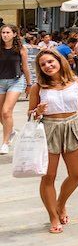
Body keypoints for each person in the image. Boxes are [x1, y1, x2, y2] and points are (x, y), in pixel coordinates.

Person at [27, 49, 78, 234]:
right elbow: (30, 114)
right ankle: (53, 216)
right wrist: (38, 111)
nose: (48, 66)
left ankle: (61, 204)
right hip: (49, 129)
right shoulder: (38, 87)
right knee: (48, 177)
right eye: (43, 64)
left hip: (73, 127)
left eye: (50, 61)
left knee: (77, 174)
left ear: (59, 61)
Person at [0, 25, 34, 155]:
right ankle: (12, 131)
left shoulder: (20, 49)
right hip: (0, 82)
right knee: (0, 114)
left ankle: (5, 143)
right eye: (3, 32)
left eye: (8, 32)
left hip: (16, 81)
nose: (5, 35)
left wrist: (29, 84)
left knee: (6, 112)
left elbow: (25, 67)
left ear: (14, 34)